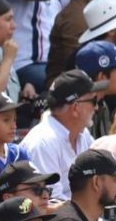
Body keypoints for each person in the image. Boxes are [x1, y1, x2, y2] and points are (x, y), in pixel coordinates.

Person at [23, 70, 110, 201]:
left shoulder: (83, 133)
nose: (96, 108)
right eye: (93, 101)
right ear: (75, 108)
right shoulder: (42, 143)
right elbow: (52, 201)